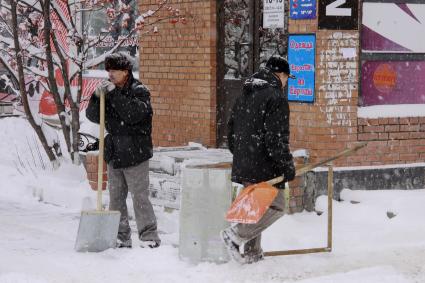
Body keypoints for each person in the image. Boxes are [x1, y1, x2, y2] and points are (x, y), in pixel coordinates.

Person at [221, 56, 296, 264]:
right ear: (280, 75)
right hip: (265, 164)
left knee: (257, 208)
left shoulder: (246, 93)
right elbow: (276, 138)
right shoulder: (276, 97)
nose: (286, 82)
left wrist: (241, 154)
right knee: (277, 206)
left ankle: (253, 254)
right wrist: (286, 166)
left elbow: (231, 128)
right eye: (287, 78)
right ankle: (235, 235)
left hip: (247, 160)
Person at [86, 52, 160, 249]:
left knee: (139, 197)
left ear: (126, 72)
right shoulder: (109, 91)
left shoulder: (139, 90)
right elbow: (94, 116)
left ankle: (149, 236)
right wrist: (95, 97)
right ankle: (121, 236)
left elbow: (132, 114)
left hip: (136, 152)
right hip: (115, 152)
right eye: (108, 70)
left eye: (114, 71)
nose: (110, 74)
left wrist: (114, 94)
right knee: (116, 198)